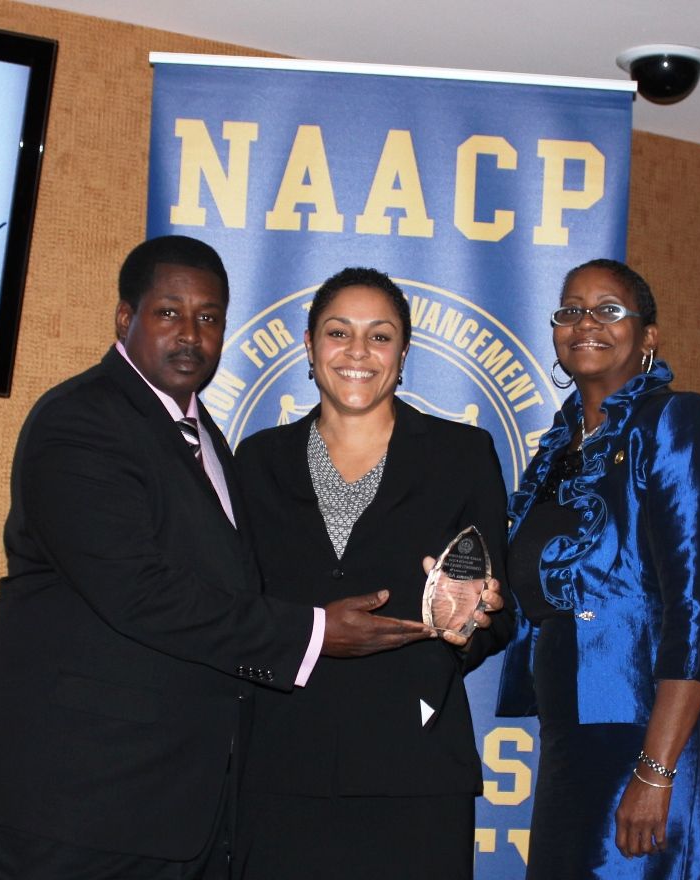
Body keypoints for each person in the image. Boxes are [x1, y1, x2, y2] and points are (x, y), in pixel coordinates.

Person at [0, 237, 436, 879]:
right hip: (71, 805)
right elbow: (139, 592)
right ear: (126, 320)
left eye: (208, 318)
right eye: (168, 313)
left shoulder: (209, 440)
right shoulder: (82, 421)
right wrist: (316, 631)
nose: (190, 334)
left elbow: (234, 591)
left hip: (169, 808)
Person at [233, 267, 514, 879]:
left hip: (414, 769)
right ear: (309, 348)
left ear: (404, 352)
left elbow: (498, 617)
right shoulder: (256, 460)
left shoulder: (463, 455)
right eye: (338, 332)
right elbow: (235, 612)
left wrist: (475, 621)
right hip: (280, 765)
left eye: (380, 336)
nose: (358, 352)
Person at [496, 258, 700, 878]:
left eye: (609, 309)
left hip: (659, 733)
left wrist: (657, 768)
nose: (585, 322)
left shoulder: (677, 423)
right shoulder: (557, 455)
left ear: (648, 337)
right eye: (570, 310)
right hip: (576, 734)